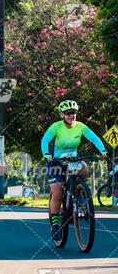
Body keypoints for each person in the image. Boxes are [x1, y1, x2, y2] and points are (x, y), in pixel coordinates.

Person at [41, 100, 107, 241]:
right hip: (56, 161)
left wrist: (102, 150)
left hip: (73, 159)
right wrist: (46, 154)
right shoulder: (56, 127)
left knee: (83, 169)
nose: (72, 116)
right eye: (68, 113)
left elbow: (94, 138)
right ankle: (55, 224)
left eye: (74, 113)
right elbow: (45, 140)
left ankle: (79, 193)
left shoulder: (80, 127)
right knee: (57, 193)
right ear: (62, 115)